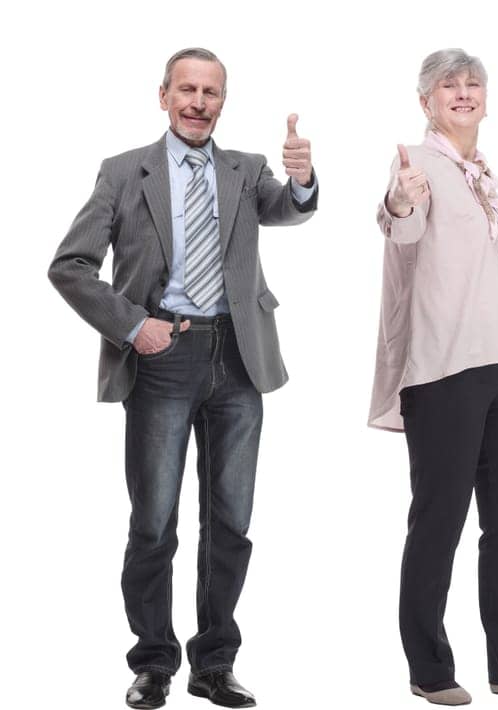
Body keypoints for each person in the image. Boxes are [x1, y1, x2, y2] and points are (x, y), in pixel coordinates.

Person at [47, 47, 318, 709]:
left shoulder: (246, 169)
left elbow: (289, 211)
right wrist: (131, 324)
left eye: (212, 93)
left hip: (238, 358)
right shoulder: (122, 173)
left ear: (223, 101)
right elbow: (70, 266)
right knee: (155, 522)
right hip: (161, 356)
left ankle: (214, 665)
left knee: (231, 522)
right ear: (164, 94)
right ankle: (154, 664)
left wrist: (303, 178)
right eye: (188, 90)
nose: (199, 103)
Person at [370, 49, 498, 707]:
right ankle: (428, 669)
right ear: (425, 101)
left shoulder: (485, 179)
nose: (462, 93)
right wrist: (399, 199)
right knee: (439, 521)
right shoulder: (418, 167)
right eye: (447, 86)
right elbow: (402, 229)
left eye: (472, 83)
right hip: (446, 370)